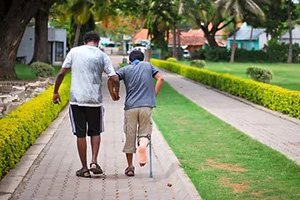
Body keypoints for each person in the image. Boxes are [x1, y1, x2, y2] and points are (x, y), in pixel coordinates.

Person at [53, 31, 120, 178]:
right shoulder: (102, 55)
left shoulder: (74, 52)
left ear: (85, 41)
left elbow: (61, 74)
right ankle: (94, 162)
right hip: (94, 101)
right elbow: (114, 77)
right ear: (97, 42)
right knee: (95, 131)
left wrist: (55, 92)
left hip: (77, 99)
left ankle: (84, 169)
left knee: (80, 134)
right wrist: (116, 91)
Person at [113, 50, 164, 176]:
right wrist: (153, 95)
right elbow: (160, 79)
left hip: (130, 107)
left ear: (130, 60)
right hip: (146, 106)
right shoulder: (148, 65)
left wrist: (115, 92)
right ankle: (142, 145)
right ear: (142, 59)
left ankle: (130, 167)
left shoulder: (125, 69)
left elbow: (113, 78)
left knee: (130, 135)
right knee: (144, 133)